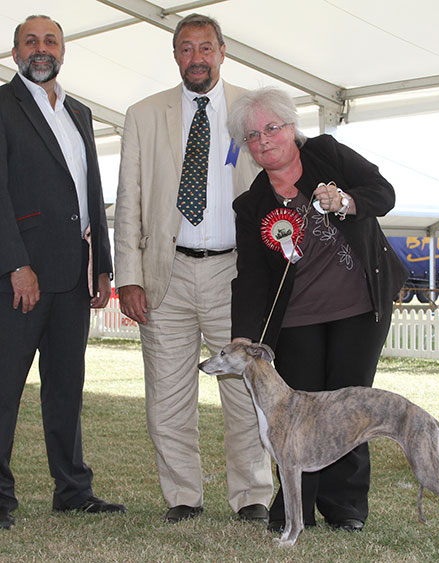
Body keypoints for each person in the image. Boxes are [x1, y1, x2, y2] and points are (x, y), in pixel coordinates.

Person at [114, 13, 273, 523]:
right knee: (167, 393)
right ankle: (183, 496)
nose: (196, 58)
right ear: (176, 56)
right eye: (186, 49)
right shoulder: (143, 114)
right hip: (168, 275)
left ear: (223, 52)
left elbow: (281, 182)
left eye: (206, 48)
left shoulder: (254, 110)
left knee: (247, 390)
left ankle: (251, 495)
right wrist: (129, 277)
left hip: (237, 276)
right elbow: (129, 197)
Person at [227, 87, 408, 533]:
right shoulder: (251, 205)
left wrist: (345, 201)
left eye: (272, 128)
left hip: (358, 306)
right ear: (246, 147)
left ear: (292, 128)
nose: (264, 140)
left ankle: (345, 508)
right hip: (297, 318)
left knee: (350, 404)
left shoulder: (327, 154)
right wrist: (244, 334)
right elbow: (251, 275)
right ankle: (294, 509)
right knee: (296, 412)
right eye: (252, 136)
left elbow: (382, 192)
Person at [0, 15, 126, 530]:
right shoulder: (2, 107)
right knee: (5, 387)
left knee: (66, 388)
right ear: (14, 53)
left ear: (63, 50)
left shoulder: (79, 110)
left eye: (50, 40)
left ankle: (73, 490)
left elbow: (92, 191)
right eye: (30, 41)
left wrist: (103, 268)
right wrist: (15, 263)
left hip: (76, 274)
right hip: (20, 278)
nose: (41, 48)